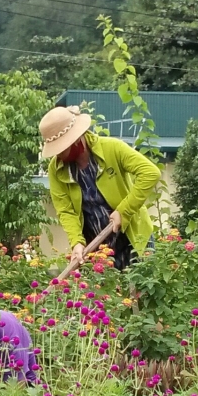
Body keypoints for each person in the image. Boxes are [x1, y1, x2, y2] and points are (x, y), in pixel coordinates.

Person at [42, 105, 160, 271]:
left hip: (134, 238)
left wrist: (124, 211)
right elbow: (66, 210)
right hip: (98, 249)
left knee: (143, 285)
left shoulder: (112, 148)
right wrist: (76, 242)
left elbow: (150, 173)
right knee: (108, 288)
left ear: (76, 139)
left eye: (61, 148)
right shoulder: (56, 169)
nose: (58, 154)